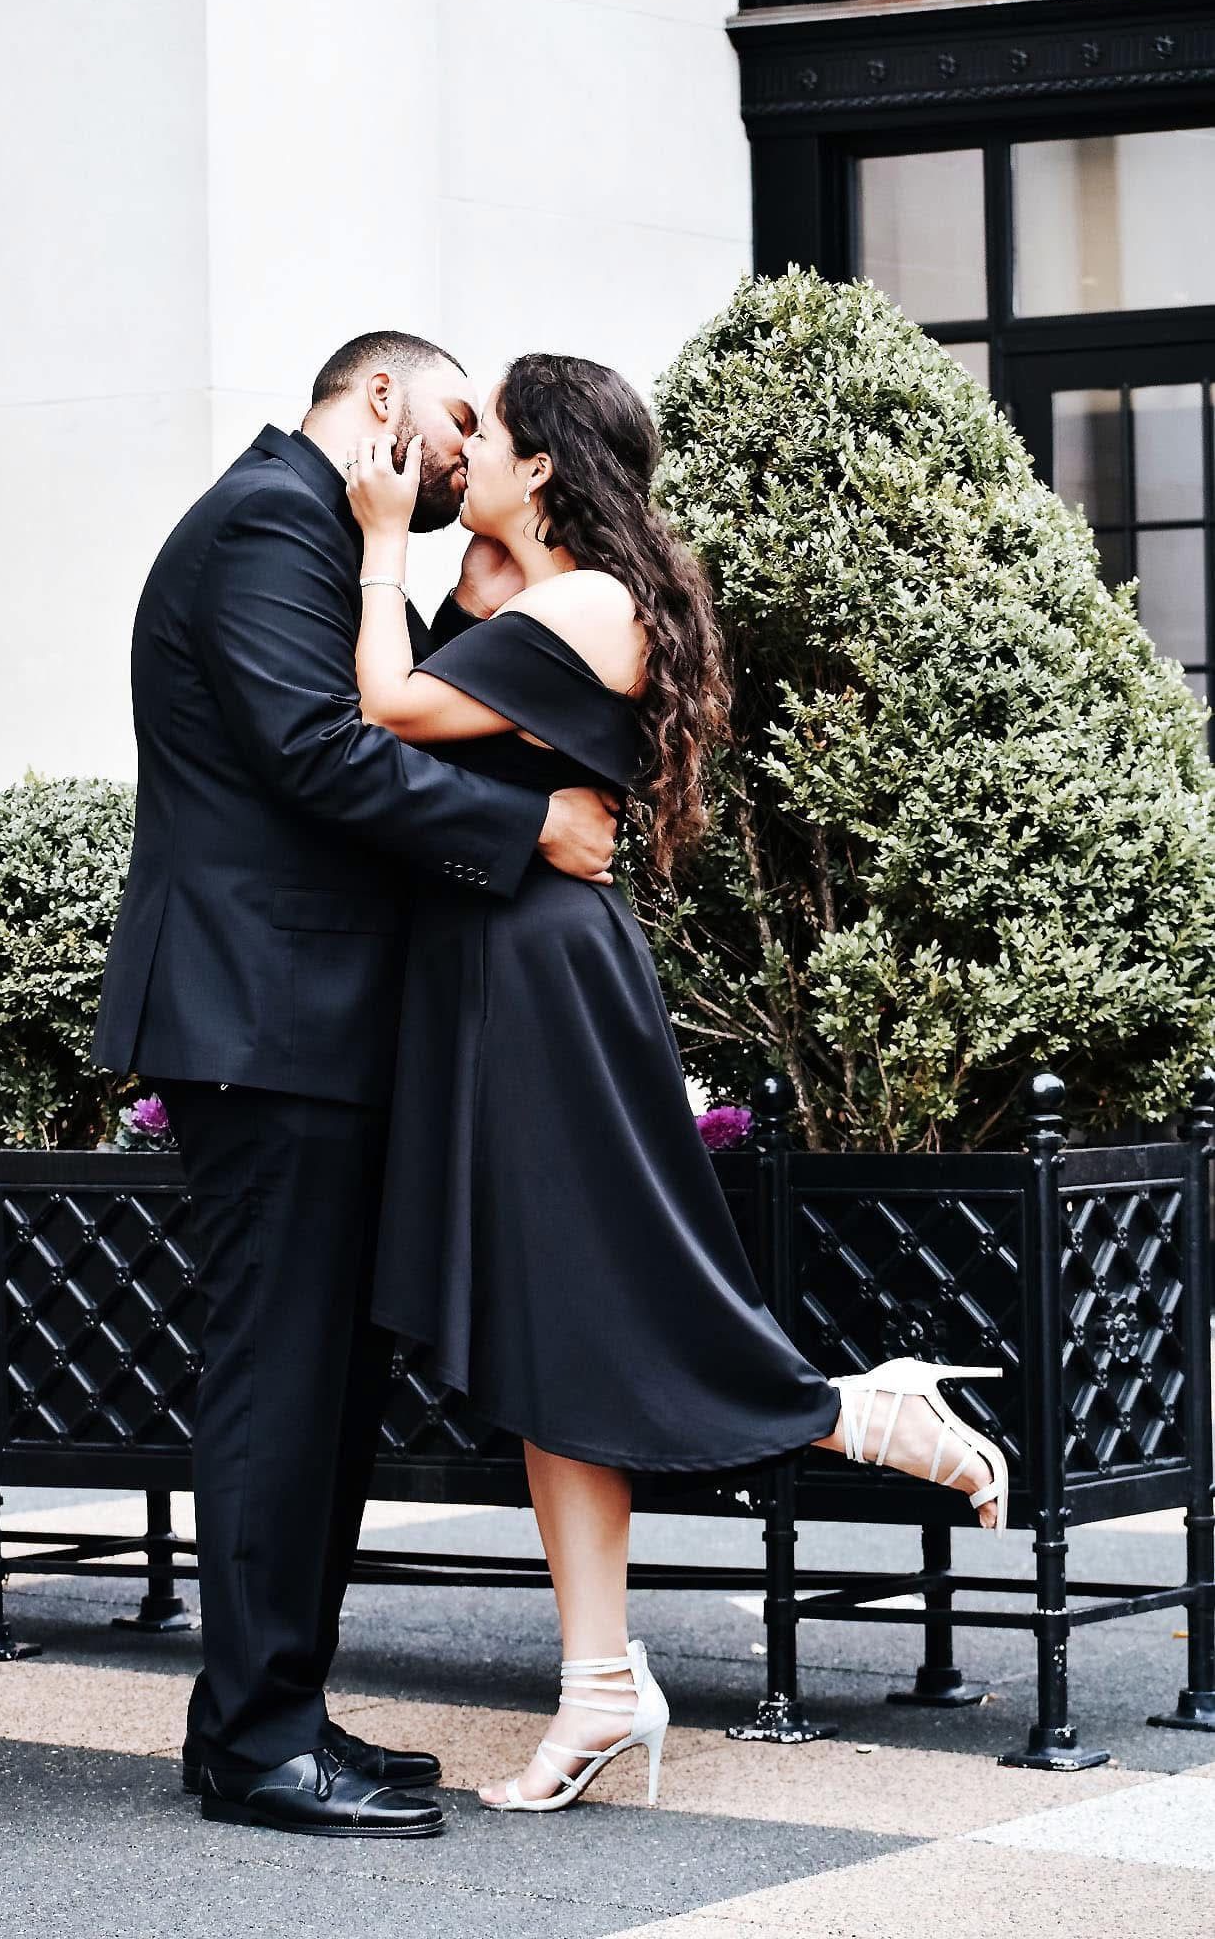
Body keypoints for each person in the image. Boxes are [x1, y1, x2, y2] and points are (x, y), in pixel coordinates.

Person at [344, 351, 1009, 1816]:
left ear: (548, 469)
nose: (466, 459)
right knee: (548, 1328)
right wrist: (459, 541)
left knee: (604, 1286)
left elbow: (384, 708)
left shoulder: (582, 607)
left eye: (490, 441)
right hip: (503, 967)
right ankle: (596, 1687)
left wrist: (386, 534)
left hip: (537, 981)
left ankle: (851, 1412)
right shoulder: (535, 594)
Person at [91, 332, 622, 1841]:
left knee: (323, 1392)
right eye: (459, 416)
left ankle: (269, 1718)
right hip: (265, 1021)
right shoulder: (268, 517)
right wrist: (527, 837)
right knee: (279, 1387)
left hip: (312, 1020)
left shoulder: (335, 531)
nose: (471, 448)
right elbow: (315, 753)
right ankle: (261, 1747)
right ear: (379, 399)